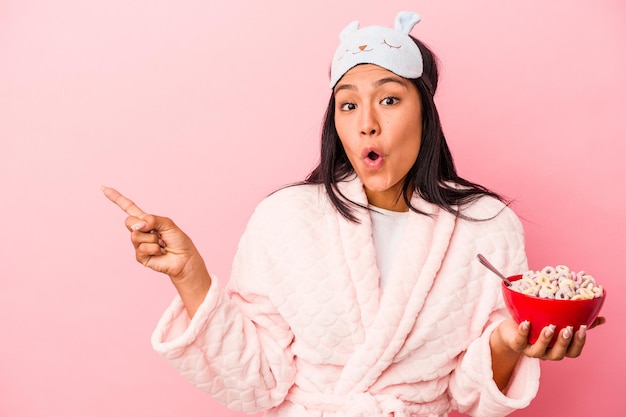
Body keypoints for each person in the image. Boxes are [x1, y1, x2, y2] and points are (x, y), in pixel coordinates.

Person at [103, 11, 604, 417]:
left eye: (389, 100)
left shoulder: (487, 225)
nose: (367, 124)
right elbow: (257, 384)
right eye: (348, 106)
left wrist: (510, 342)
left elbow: (468, 396)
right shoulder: (286, 217)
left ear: (425, 112)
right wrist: (190, 276)